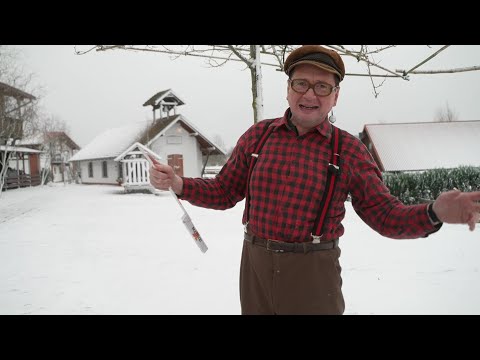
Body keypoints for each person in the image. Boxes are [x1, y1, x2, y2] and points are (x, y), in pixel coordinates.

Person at [149, 45, 480, 315]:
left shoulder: (348, 150)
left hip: (313, 272)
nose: (310, 93)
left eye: (322, 86)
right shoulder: (259, 136)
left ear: (335, 96)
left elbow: (386, 216)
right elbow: (223, 191)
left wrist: (434, 212)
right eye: (301, 83)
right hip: (254, 266)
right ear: (289, 89)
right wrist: (179, 184)